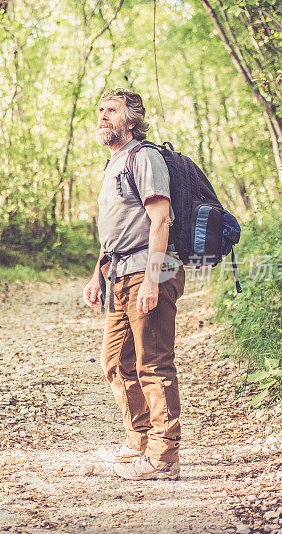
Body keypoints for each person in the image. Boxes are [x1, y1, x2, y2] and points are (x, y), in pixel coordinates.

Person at [82, 88, 185, 480]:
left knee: (153, 364)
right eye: (101, 110)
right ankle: (139, 441)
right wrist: (98, 271)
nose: (103, 116)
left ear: (131, 120)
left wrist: (154, 279)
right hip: (119, 273)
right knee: (116, 362)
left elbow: (161, 221)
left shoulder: (145, 158)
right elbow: (117, 229)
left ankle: (164, 457)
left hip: (149, 271)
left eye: (112, 111)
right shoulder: (113, 164)